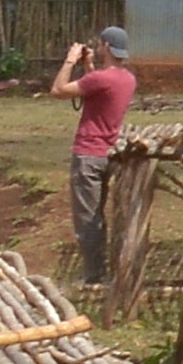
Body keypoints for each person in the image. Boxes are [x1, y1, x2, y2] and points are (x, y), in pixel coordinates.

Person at [54, 29, 140, 284]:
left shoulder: (101, 79)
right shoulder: (127, 79)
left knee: (88, 219)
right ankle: (102, 270)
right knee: (100, 214)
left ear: (106, 46)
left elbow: (58, 90)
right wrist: (90, 65)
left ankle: (94, 276)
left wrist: (70, 60)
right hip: (108, 152)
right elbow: (98, 90)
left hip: (87, 154)